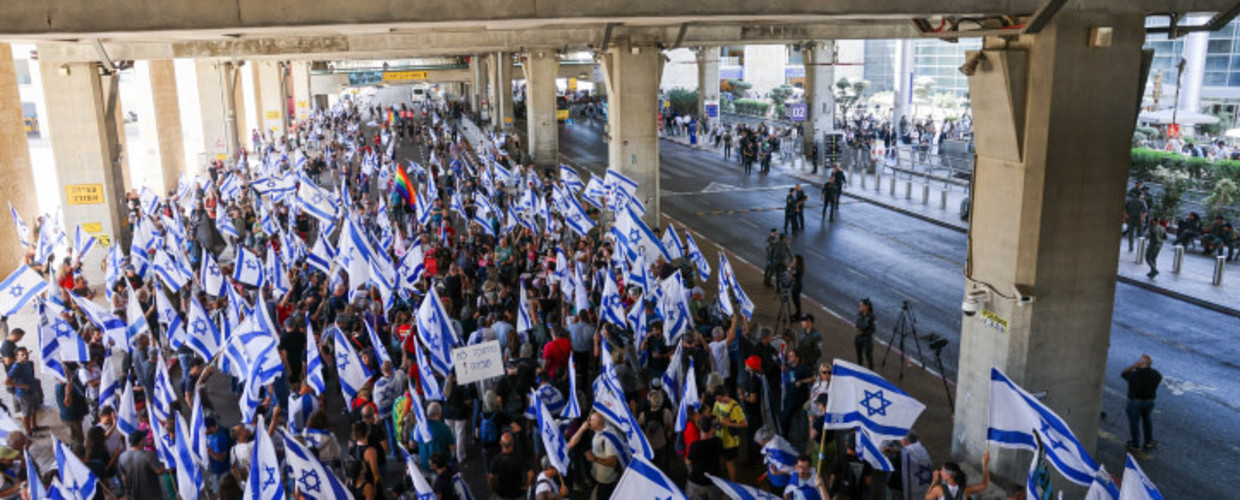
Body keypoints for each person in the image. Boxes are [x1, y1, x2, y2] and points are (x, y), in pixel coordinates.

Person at [567, 412, 620, 499]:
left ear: (598, 423)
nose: (588, 422)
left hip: (605, 479)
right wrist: (582, 429)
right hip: (597, 475)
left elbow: (613, 462)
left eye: (591, 420)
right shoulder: (598, 430)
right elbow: (574, 440)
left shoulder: (607, 439)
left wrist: (594, 459)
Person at [1122, 354, 1162, 452]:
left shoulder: (1135, 374)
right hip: (1149, 402)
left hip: (1135, 402)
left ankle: (1135, 444)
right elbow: (1159, 379)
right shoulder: (1156, 374)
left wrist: (1133, 366)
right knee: (1147, 420)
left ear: (1140, 363)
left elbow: (1123, 374)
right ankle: (1148, 441)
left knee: (1134, 423)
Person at [118, 429, 165, 499]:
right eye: (144, 437)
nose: (147, 438)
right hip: (152, 495)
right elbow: (159, 471)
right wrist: (165, 462)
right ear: (141, 442)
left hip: (135, 495)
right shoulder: (148, 455)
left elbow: (124, 477)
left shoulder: (122, 457)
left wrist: (127, 491)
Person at [923, 451, 990, 500]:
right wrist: (985, 464)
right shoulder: (966, 490)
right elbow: (985, 485)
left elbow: (927, 498)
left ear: (949, 476)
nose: (940, 472)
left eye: (942, 471)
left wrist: (934, 481)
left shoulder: (938, 489)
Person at [712, 389, 747, 481]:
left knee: (730, 463)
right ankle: (723, 475)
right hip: (720, 437)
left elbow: (744, 424)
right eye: (718, 400)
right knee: (722, 459)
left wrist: (730, 424)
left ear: (726, 395)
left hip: (731, 441)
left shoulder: (735, 407)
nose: (720, 402)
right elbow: (715, 415)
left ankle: (733, 484)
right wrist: (716, 422)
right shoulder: (717, 403)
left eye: (721, 399)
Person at [685, 416, 723, 500]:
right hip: (713, 481)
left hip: (697, 483)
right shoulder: (718, 442)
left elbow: (688, 462)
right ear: (712, 429)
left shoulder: (695, 446)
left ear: (700, 428)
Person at [488, 432, 532, 500]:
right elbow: (531, 474)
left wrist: (494, 489)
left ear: (500, 443)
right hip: (517, 494)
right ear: (513, 443)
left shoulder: (496, 460)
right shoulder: (519, 457)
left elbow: (491, 477)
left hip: (502, 494)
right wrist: (526, 486)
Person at [5, 347, 38, 434]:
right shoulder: (16, 367)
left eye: (26, 354)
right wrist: (22, 386)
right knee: (26, 413)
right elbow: (7, 381)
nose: (25, 356)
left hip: (31, 390)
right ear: (17, 356)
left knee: (34, 409)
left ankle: (34, 426)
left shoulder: (27, 363)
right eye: (22, 355)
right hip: (23, 394)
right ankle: (28, 432)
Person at [854, 299, 876, 370]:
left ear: (866, 307)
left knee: (868, 356)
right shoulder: (859, 314)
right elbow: (856, 324)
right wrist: (856, 329)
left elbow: (873, 330)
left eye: (862, 305)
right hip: (858, 338)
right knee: (859, 355)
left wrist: (863, 332)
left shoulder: (871, 317)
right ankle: (859, 369)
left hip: (867, 339)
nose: (860, 307)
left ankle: (871, 371)